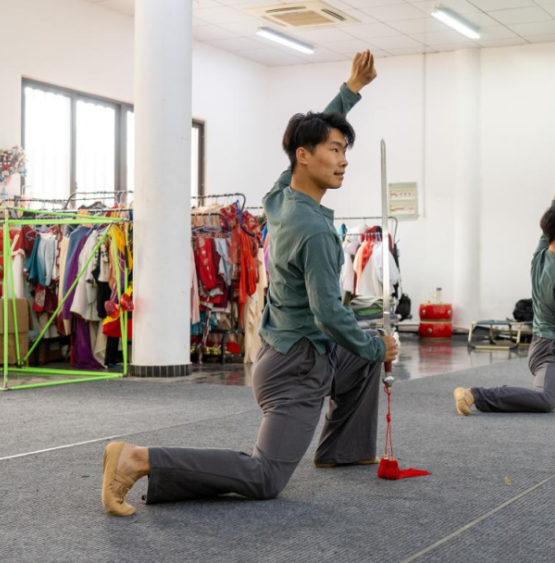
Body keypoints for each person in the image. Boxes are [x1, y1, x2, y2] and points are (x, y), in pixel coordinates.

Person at [101, 51, 398, 517]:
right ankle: (138, 459)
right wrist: (379, 347)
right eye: (335, 150)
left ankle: (341, 448)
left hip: (287, 348)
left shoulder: (280, 195)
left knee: (359, 356)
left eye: (345, 150)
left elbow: (310, 132)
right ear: (305, 157)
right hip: (296, 369)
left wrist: (351, 88)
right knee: (265, 478)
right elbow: (329, 315)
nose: (343, 161)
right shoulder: (316, 232)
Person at [453, 155, 555, 415]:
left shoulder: (541, 253)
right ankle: (474, 394)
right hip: (551, 352)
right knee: (545, 400)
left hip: (548, 344)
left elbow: (554, 209)